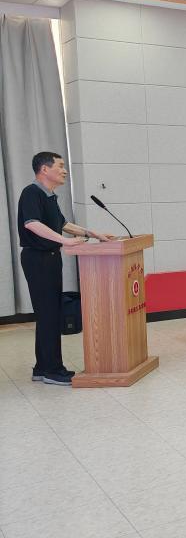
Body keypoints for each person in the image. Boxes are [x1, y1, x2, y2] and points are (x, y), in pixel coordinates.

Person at [18, 152, 116, 385]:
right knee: (49, 314)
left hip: (50, 258)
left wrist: (93, 233)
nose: (64, 170)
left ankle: (42, 368)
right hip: (38, 259)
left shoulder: (50, 196)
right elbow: (32, 224)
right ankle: (53, 371)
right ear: (44, 169)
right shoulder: (31, 192)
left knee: (49, 314)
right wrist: (64, 241)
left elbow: (63, 224)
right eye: (60, 166)